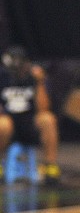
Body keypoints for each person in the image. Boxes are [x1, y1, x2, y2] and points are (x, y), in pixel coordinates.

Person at [0, 46, 61, 184]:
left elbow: (44, 108)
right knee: (2, 124)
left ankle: (50, 165)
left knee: (48, 119)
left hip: (30, 123)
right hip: (9, 124)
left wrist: (39, 82)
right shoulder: (2, 77)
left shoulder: (35, 78)